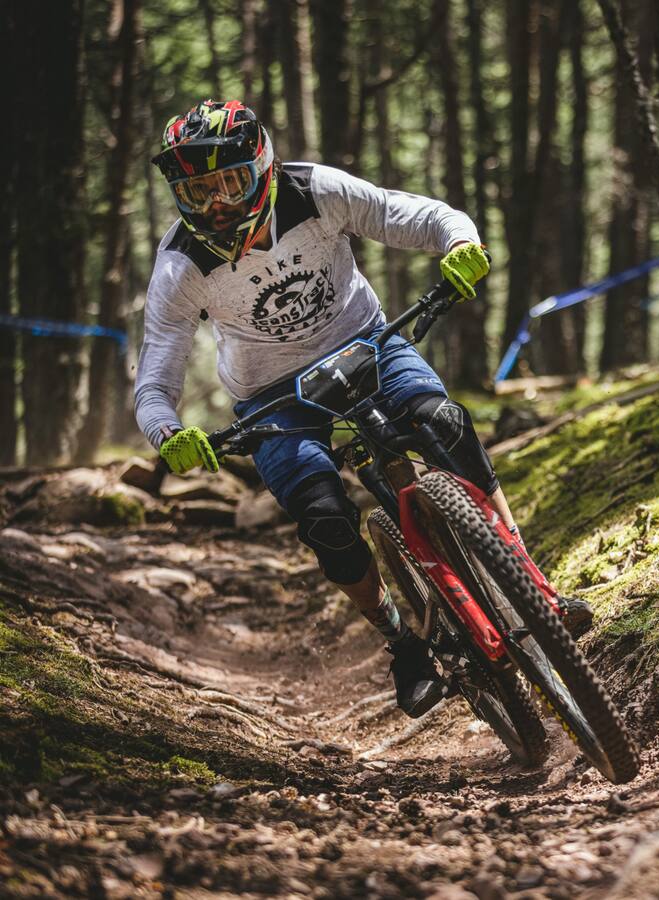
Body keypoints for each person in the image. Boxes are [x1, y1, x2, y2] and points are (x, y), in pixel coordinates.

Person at [134, 99, 592, 717]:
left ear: (262, 167)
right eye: (197, 192)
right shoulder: (181, 264)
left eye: (229, 182)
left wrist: (460, 242)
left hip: (367, 344)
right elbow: (154, 379)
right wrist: (169, 433)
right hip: (272, 396)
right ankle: (402, 643)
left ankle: (530, 585)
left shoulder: (315, 191)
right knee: (326, 517)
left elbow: (419, 215)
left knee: (445, 425)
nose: (215, 204)